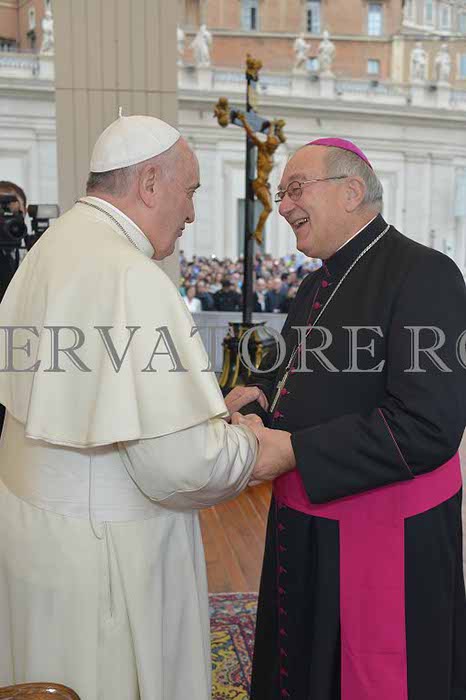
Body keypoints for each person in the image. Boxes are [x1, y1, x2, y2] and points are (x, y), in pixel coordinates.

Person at [0, 114, 275, 700]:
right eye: (190, 190)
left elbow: (94, 393)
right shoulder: (132, 277)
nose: (192, 212)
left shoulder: (53, 245)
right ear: (150, 183)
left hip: (39, 537)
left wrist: (200, 409)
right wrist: (249, 443)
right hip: (105, 561)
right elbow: (180, 465)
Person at [236, 137, 466, 700]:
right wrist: (256, 399)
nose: (283, 206)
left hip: (383, 534)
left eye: (295, 189)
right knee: (305, 661)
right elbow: (291, 373)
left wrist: (295, 450)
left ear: (351, 191)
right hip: (305, 522)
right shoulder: (314, 282)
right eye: (280, 193)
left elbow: (428, 426)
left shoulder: (427, 274)